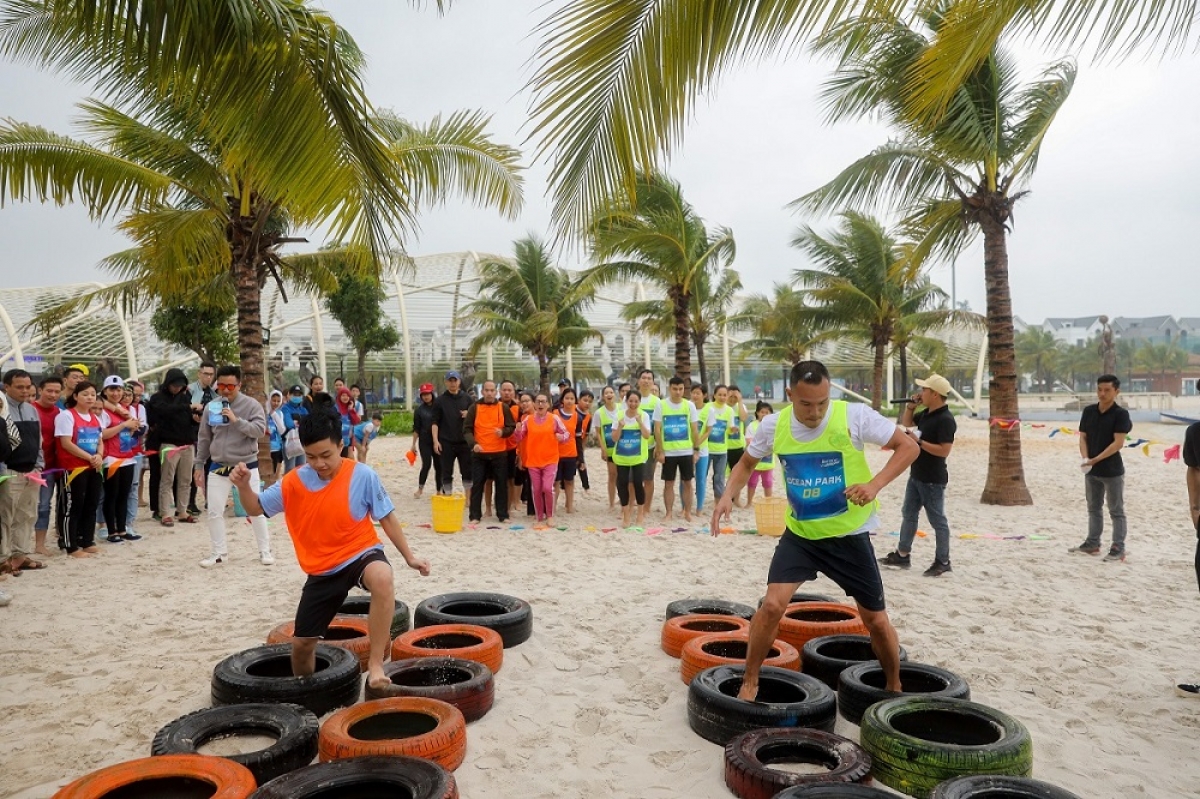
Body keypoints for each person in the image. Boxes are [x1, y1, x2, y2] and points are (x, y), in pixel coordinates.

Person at [710, 360, 918, 701]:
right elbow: (747, 462)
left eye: (822, 402)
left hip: (849, 536)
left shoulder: (854, 416)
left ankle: (894, 685)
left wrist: (875, 484)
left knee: (876, 621)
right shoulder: (773, 425)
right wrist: (726, 497)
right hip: (801, 537)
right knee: (773, 605)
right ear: (790, 395)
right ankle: (750, 680)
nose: (815, 411)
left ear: (829, 393)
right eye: (806, 404)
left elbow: (909, 447)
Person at [230, 411, 431, 691]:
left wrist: (409, 557)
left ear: (341, 446)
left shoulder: (363, 475)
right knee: (301, 646)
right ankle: (308, 691)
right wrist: (242, 487)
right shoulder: (293, 481)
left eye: (326, 454)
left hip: (361, 553)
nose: (319, 463)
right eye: (311, 457)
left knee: (383, 577)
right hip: (322, 570)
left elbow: (386, 517)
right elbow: (255, 508)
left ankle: (375, 665)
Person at [193, 365, 274, 567]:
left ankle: (265, 551)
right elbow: (204, 437)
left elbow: (258, 430)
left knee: (256, 509)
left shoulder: (252, 405)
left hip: (245, 465)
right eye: (221, 385)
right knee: (214, 510)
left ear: (239, 384)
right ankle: (219, 552)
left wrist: (236, 421)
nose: (226, 389)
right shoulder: (213, 406)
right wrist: (198, 464)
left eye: (230, 385)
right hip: (218, 465)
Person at [879, 374, 958, 577]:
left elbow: (943, 450)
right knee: (909, 513)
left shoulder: (946, 420)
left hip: (933, 478)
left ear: (934, 394)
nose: (921, 393)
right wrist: (911, 407)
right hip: (917, 474)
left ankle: (943, 560)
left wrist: (919, 442)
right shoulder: (927, 414)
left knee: (937, 520)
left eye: (924, 390)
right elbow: (908, 423)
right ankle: (902, 554)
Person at [1070, 374, 1133, 562]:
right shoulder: (1089, 411)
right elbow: (1083, 437)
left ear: (1116, 391)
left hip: (1112, 470)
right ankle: (1092, 542)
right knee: (1093, 507)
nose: (1102, 393)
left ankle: (1118, 547)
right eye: (1099, 389)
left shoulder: (1120, 414)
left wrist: (1096, 459)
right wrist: (1085, 457)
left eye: (1107, 390)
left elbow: (1118, 443)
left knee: (1116, 510)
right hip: (1090, 470)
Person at [0, 369, 46, 572]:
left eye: (28, 386)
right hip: (9, 471)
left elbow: (38, 440)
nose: (25, 391)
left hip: (32, 471)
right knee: (4, 516)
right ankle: (3, 559)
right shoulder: (2, 409)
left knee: (27, 515)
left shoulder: (31, 409)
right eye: (19, 387)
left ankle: (20, 555)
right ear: (7, 387)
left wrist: (39, 464)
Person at [55, 380, 105, 557]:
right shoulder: (66, 415)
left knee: (91, 504)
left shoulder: (95, 417)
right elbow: (66, 443)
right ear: (75, 396)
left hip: (93, 468)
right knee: (72, 506)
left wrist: (99, 456)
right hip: (73, 468)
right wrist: (90, 457)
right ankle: (70, 544)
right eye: (85, 394)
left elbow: (100, 441)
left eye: (92, 394)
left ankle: (87, 540)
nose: (90, 397)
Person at [146, 368, 198, 526]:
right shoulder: (157, 398)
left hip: (187, 444)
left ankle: (182, 511)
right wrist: (187, 408)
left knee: (186, 480)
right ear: (168, 383)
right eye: (174, 385)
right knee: (166, 479)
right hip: (169, 444)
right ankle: (165, 513)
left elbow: (188, 418)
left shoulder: (185, 397)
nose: (177, 388)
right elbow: (163, 411)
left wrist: (195, 419)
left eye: (180, 385)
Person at [96, 376, 144, 543]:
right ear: (105, 392)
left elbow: (129, 433)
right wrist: (124, 425)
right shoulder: (103, 411)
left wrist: (132, 427)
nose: (116, 393)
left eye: (118, 389)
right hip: (111, 458)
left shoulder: (125, 409)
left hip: (127, 456)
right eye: (112, 389)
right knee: (111, 495)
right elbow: (102, 434)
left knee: (124, 494)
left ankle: (122, 529)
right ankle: (111, 530)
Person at [513, 393, 570, 529]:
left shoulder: (554, 418)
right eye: (538, 402)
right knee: (536, 489)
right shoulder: (528, 420)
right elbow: (519, 437)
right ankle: (539, 517)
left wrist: (561, 437)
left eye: (543, 402)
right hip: (533, 460)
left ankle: (550, 515)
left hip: (550, 459)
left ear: (548, 405)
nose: (540, 404)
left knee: (547, 488)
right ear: (534, 404)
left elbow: (566, 433)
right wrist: (517, 431)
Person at [464, 380, 515, 524]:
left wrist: (503, 432)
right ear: (482, 392)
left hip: (499, 453)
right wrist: (473, 444)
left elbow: (511, 426)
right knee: (478, 484)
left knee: (501, 485)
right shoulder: (474, 407)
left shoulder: (503, 407)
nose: (490, 393)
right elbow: (466, 429)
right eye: (487, 390)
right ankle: (474, 516)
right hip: (480, 453)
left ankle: (503, 515)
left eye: (492, 390)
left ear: (496, 392)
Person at [654, 376, 698, 522]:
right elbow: (657, 429)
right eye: (675, 389)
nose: (678, 392)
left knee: (687, 483)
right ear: (669, 389)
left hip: (686, 451)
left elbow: (694, 429)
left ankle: (687, 512)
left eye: (681, 389)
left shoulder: (689, 405)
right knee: (668, 483)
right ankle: (669, 513)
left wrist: (696, 450)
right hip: (669, 452)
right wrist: (660, 451)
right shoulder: (661, 405)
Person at [32, 375, 63, 556]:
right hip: (29, 467)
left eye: (57, 392)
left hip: (50, 467)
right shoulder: (30, 409)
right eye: (49, 391)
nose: (53, 395)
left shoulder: (59, 413)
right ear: (39, 390)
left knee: (44, 506)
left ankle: (39, 544)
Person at [613, 389, 652, 528]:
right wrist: (620, 426)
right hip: (622, 457)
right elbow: (614, 438)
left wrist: (640, 422)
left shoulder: (644, 416)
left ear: (639, 402)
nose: (633, 404)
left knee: (637, 483)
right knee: (622, 483)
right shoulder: (618, 415)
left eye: (636, 401)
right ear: (626, 401)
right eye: (631, 401)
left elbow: (647, 436)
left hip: (638, 457)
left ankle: (640, 514)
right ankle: (626, 514)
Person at [431, 370, 472, 495]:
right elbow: (434, 423)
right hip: (446, 442)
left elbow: (477, 418)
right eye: (450, 381)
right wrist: (435, 441)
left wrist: (469, 414)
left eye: (455, 380)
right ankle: (448, 495)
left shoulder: (467, 398)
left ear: (459, 382)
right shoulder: (440, 401)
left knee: (467, 471)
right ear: (446, 382)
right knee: (446, 471)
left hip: (464, 441)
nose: (453, 383)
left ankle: (469, 498)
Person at [186, 362, 217, 517]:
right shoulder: (189, 390)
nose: (208, 377)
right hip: (192, 435)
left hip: (210, 435)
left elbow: (217, 415)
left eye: (211, 374)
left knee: (211, 469)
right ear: (199, 374)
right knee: (194, 469)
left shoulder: (214, 394)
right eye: (206, 374)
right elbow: (184, 410)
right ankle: (190, 502)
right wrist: (192, 414)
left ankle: (210, 500)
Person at [701, 384, 734, 503]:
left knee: (719, 477)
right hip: (706, 449)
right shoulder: (708, 407)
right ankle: (700, 499)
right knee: (702, 476)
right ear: (714, 395)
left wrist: (732, 430)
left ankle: (718, 501)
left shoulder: (729, 410)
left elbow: (729, 429)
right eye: (719, 394)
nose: (722, 397)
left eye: (724, 395)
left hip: (722, 450)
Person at [554, 388, 582, 515]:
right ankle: (552, 506)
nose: (569, 401)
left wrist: (580, 458)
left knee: (569, 481)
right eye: (567, 398)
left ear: (575, 401)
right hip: (555, 454)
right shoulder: (554, 414)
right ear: (562, 400)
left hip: (571, 453)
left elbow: (578, 439)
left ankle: (569, 506)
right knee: (556, 482)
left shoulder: (578, 417)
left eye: (572, 398)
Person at [410, 383, 441, 497]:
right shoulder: (419, 410)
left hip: (438, 440)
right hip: (424, 441)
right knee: (426, 464)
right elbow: (416, 428)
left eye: (428, 394)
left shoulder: (439, 406)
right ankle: (420, 488)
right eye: (423, 394)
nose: (426, 396)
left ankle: (439, 490)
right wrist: (413, 444)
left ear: (432, 393)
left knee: (439, 466)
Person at [637, 369, 661, 509]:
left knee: (648, 479)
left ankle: (646, 507)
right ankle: (633, 505)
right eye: (643, 378)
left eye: (649, 378)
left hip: (650, 445)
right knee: (632, 480)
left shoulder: (657, 402)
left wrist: (659, 446)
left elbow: (659, 426)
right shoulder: (630, 398)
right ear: (638, 380)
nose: (646, 380)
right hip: (633, 446)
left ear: (652, 382)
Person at [593, 386, 620, 509]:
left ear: (615, 395)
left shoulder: (621, 408)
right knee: (612, 475)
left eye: (611, 392)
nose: (609, 395)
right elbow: (598, 432)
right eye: (606, 393)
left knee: (624, 476)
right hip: (610, 449)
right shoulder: (599, 413)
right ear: (603, 396)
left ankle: (623, 500)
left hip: (623, 448)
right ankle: (611, 502)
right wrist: (602, 449)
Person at [745, 402, 775, 506]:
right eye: (762, 412)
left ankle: (768, 502)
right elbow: (749, 440)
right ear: (757, 413)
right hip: (754, 462)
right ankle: (749, 502)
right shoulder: (752, 425)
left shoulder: (773, 426)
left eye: (767, 412)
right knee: (752, 483)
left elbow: (775, 441)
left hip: (768, 463)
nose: (764, 414)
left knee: (768, 483)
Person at [726, 385, 750, 506]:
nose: (733, 397)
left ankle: (736, 499)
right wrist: (728, 397)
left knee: (737, 474)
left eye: (736, 394)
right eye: (730, 394)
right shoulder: (723, 407)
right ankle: (725, 497)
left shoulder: (741, 406)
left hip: (737, 445)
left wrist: (739, 401)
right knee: (723, 475)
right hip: (724, 446)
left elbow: (743, 417)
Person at [691, 383, 711, 512]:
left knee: (701, 479)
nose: (695, 395)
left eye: (698, 393)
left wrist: (697, 443)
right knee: (685, 479)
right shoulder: (688, 407)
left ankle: (699, 507)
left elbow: (708, 431)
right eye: (693, 393)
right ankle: (684, 507)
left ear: (704, 395)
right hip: (687, 449)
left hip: (702, 450)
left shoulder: (709, 410)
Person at [280, 384, 309, 473]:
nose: (297, 396)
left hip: (301, 442)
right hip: (289, 441)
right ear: (289, 395)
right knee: (290, 469)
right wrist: (301, 421)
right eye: (294, 394)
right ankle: (288, 487)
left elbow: (308, 425)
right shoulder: (285, 408)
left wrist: (297, 420)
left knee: (302, 468)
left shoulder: (304, 410)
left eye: (299, 394)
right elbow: (288, 424)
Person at [576, 390, 594, 496]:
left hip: (579, 444)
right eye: (585, 400)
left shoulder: (589, 417)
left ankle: (586, 487)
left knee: (582, 464)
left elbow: (586, 435)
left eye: (590, 401)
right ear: (579, 400)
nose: (587, 403)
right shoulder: (572, 411)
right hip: (568, 444)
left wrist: (582, 449)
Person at [334, 387, 360, 458]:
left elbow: (356, 421)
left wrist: (351, 410)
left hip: (348, 439)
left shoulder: (350, 408)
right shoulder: (335, 408)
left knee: (346, 459)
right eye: (343, 395)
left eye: (347, 395)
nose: (345, 397)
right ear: (339, 396)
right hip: (337, 439)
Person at [266, 390, 285, 476]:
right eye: (274, 400)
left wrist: (274, 415)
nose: (276, 403)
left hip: (276, 448)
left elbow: (282, 430)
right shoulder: (264, 412)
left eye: (278, 401)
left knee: (275, 474)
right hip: (265, 448)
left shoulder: (279, 413)